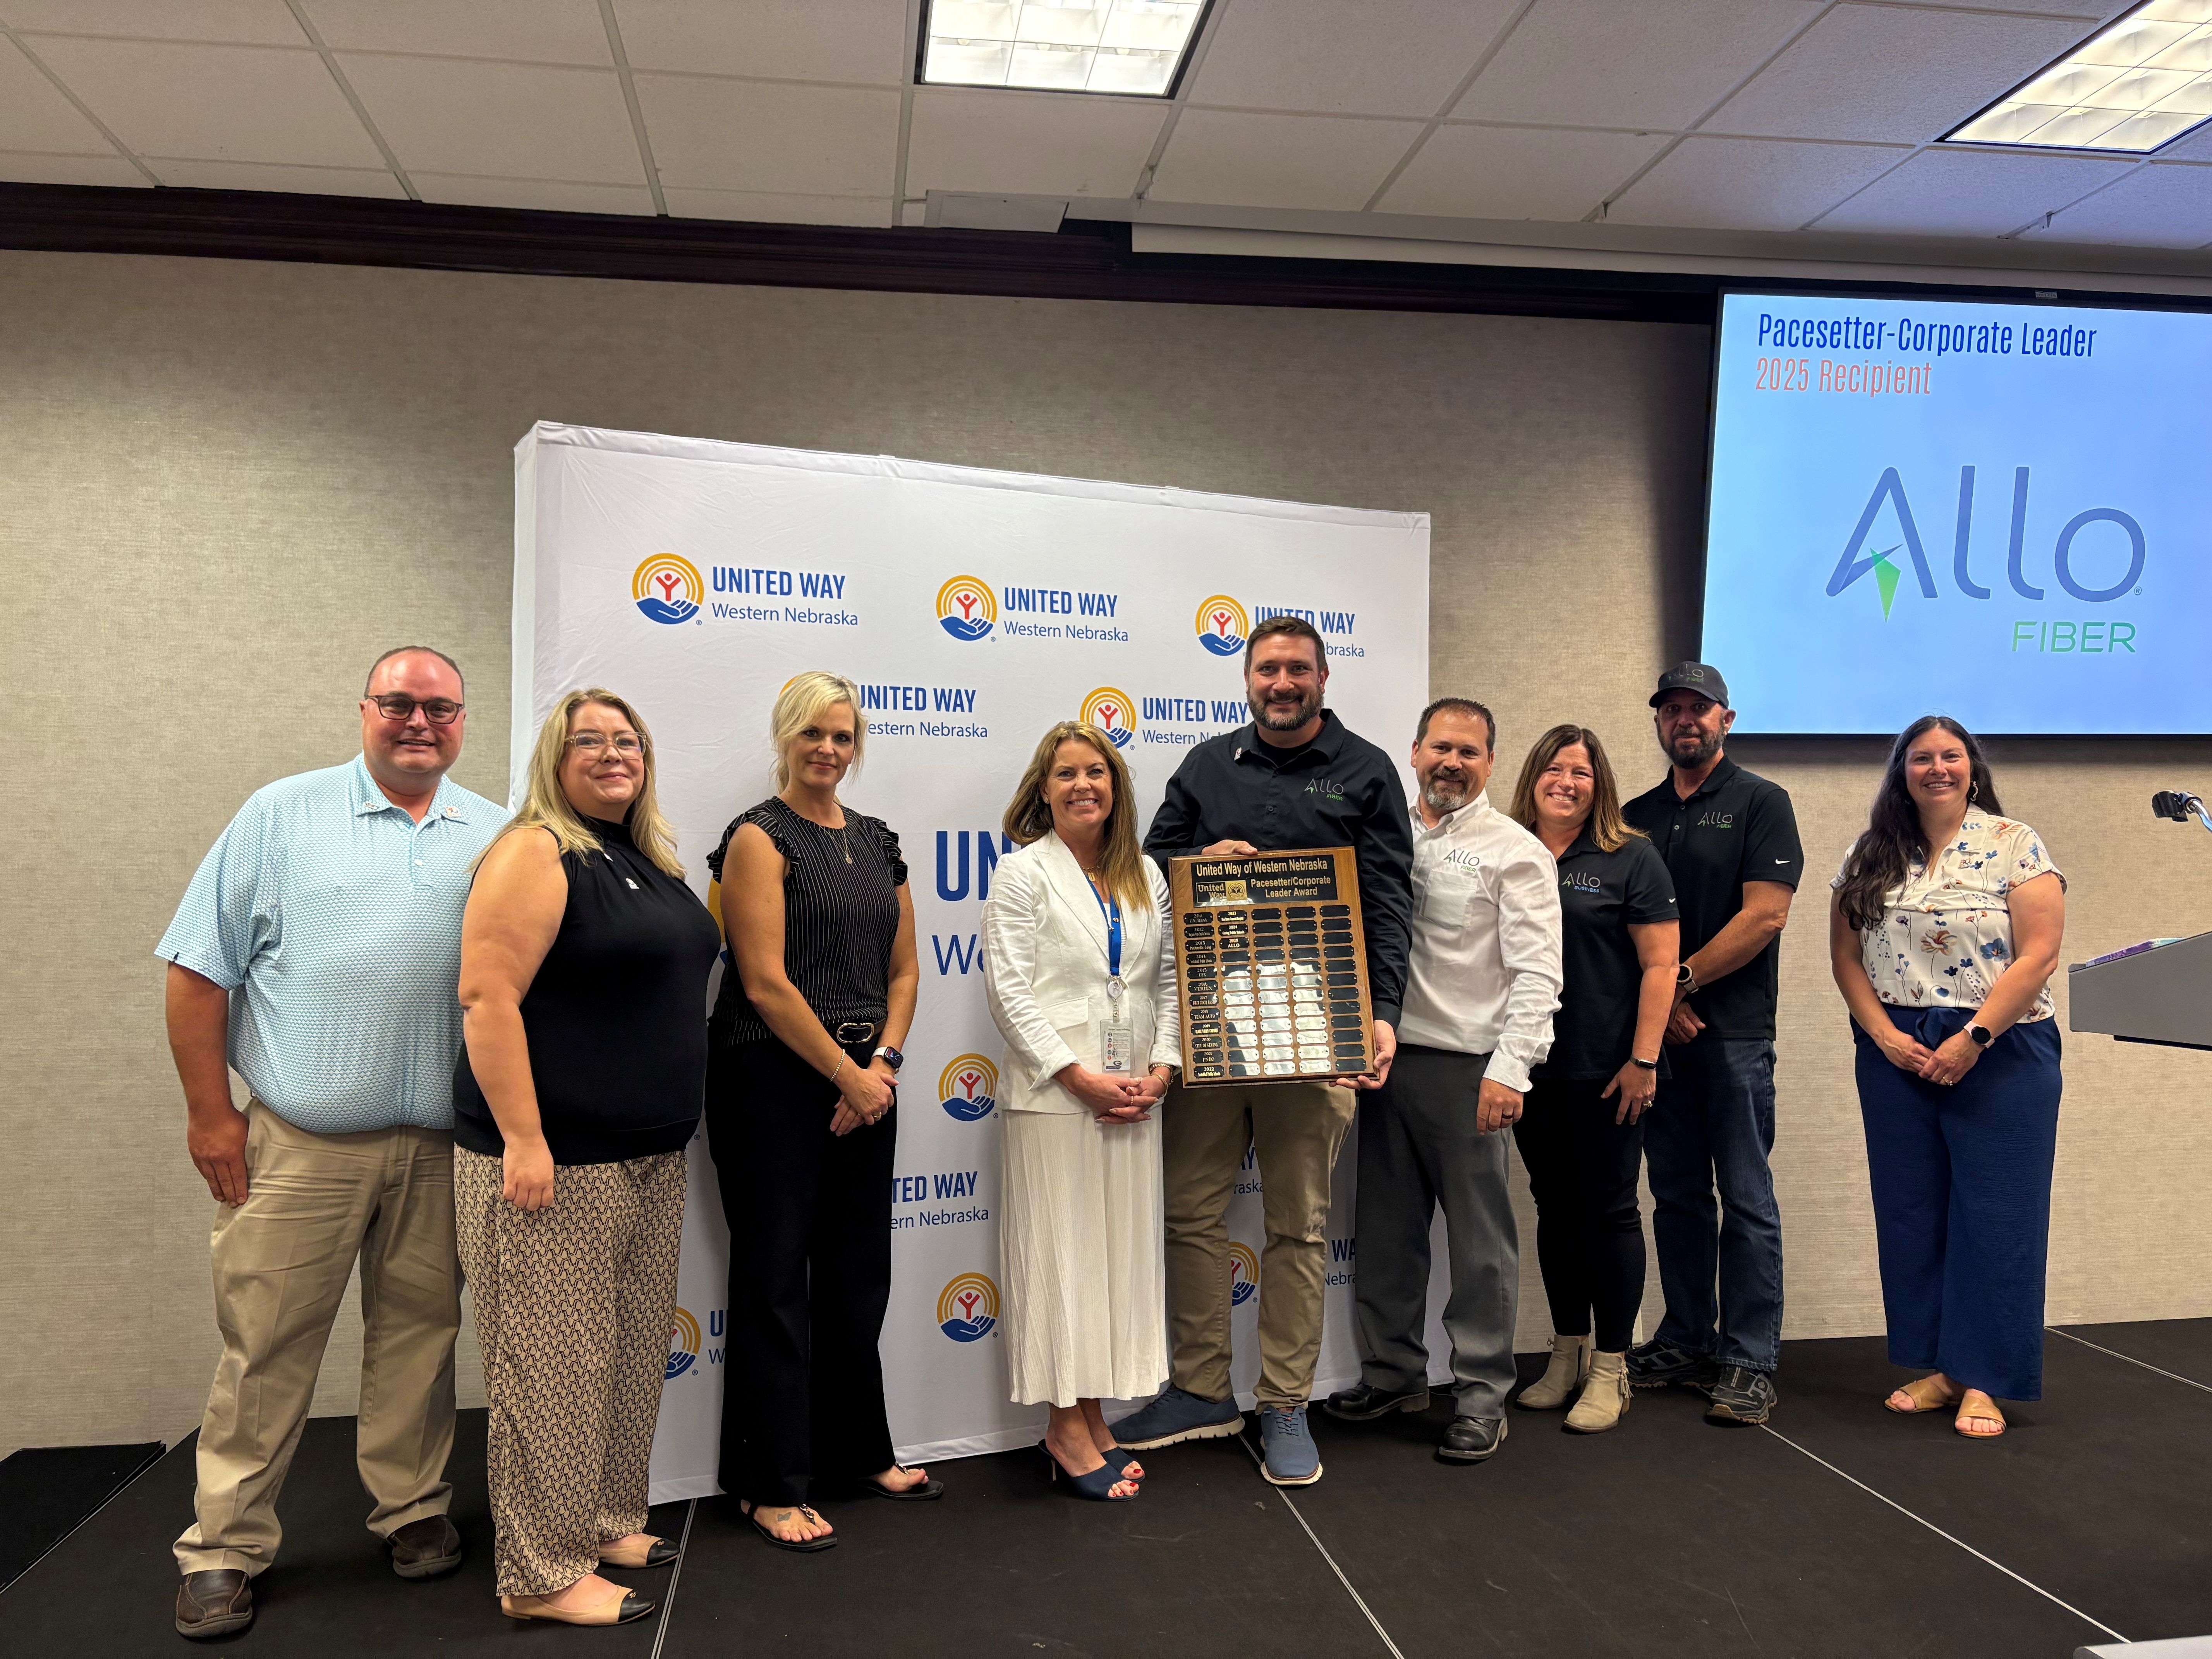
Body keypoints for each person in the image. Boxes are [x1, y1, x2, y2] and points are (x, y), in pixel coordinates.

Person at [157, 647, 503, 1641]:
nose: (419, 723)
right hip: (302, 1145)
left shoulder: (494, 832)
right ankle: (223, 1548)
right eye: (398, 704)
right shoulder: (281, 815)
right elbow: (196, 971)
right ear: (365, 711)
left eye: (440, 708)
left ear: (463, 722)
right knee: (265, 1344)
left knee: (421, 1340)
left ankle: (412, 1509)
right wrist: (210, 1114)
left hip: (442, 1147)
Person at [1116, 613, 1415, 1487]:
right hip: (1214, 1026)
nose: (1281, 684)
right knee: (1191, 1213)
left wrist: (1381, 1013)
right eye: (1267, 671)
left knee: (1300, 1225)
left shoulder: (1367, 771)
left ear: (1324, 678)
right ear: (1247, 681)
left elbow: (1391, 902)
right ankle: (1203, 1388)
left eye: (1297, 670)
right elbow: (1150, 862)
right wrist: (1199, 857)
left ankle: (1286, 1401)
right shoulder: (1209, 765)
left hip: (1319, 1032)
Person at [453, 687, 719, 1626]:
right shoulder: (536, 849)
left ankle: (602, 1520)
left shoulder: (642, 857)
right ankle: (538, 1573)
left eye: (627, 740)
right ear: (556, 762)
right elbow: (488, 998)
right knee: (551, 1370)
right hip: (552, 1161)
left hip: (646, 1155)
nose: (613, 754)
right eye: (590, 742)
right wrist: (525, 1139)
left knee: (625, 1357)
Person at [705, 672, 933, 1551]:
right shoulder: (758, 838)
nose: (828, 749)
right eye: (812, 735)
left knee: (855, 1276)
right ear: (784, 738)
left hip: (867, 1081)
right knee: (773, 1282)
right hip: (773, 1079)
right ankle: (770, 1483)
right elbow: (762, 981)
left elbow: (906, 971)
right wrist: (846, 1074)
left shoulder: (878, 840)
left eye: (841, 735)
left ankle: (857, 1452)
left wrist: (880, 1067)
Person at [1324, 700, 1561, 1463]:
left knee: (1480, 1247)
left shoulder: (1514, 852)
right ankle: (1393, 1373)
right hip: (1383, 1064)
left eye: (1470, 751)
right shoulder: (1383, 835)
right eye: (1440, 748)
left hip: (1470, 1071)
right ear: (1415, 752)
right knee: (1388, 1237)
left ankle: (1483, 1393)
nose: (1452, 762)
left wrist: (1511, 1071)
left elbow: (1538, 976)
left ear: (1491, 763)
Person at [1829, 716, 2065, 1440]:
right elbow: (1845, 959)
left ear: (1972, 766)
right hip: (1897, 1046)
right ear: (1902, 770)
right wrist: (1886, 1038)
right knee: (1913, 1212)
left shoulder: (2014, 843)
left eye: (1951, 757)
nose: (1938, 768)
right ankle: (1943, 1367)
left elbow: (2040, 955)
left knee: (1997, 1217)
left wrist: (1974, 1038)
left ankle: (1987, 1379)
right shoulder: (1871, 853)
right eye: (1922, 758)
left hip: (2001, 1044)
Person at [982, 722, 1180, 1501]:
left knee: (1110, 1266)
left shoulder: (1145, 876)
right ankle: (1065, 1428)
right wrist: (1075, 1075)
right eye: (1065, 774)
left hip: (1133, 1096)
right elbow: (1009, 991)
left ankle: (1094, 1412)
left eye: (1095, 772)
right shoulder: (1022, 874)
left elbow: (1168, 980)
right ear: (1043, 790)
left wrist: (1162, 1067)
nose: (1081, 786)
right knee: (1063, 1258)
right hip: (1056, 1101)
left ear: (1117, 787)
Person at [1623, 663, 1802, 1427]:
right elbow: (1618, 930)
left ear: (1727, 720)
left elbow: (1765, 917)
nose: (1684, 720)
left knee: (1748, 1199)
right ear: (1660, 723)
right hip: (1662, 1041)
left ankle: (1749, 1358)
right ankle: (1687, 1339)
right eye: (1672, 710)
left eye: (1699, 709)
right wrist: (1661, 1012)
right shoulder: (1633, 814)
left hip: (1734, 1040)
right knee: (1677, 1197)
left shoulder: (1763, 802)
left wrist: (1680, 988)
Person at [1506, 725, 1678, 1434]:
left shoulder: (1631, 856)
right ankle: (1566, 1353)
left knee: (1609, 1212)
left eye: (1581, 771)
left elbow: (1661, 965)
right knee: (1554, 1209)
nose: (1566, 781)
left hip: (1608, 1071)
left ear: (1598, 783)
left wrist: (1644, 1061)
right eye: (1553, 768)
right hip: (1528, 1066)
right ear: (1533, 778)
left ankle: (1613, 1367)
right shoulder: (1506, 848)